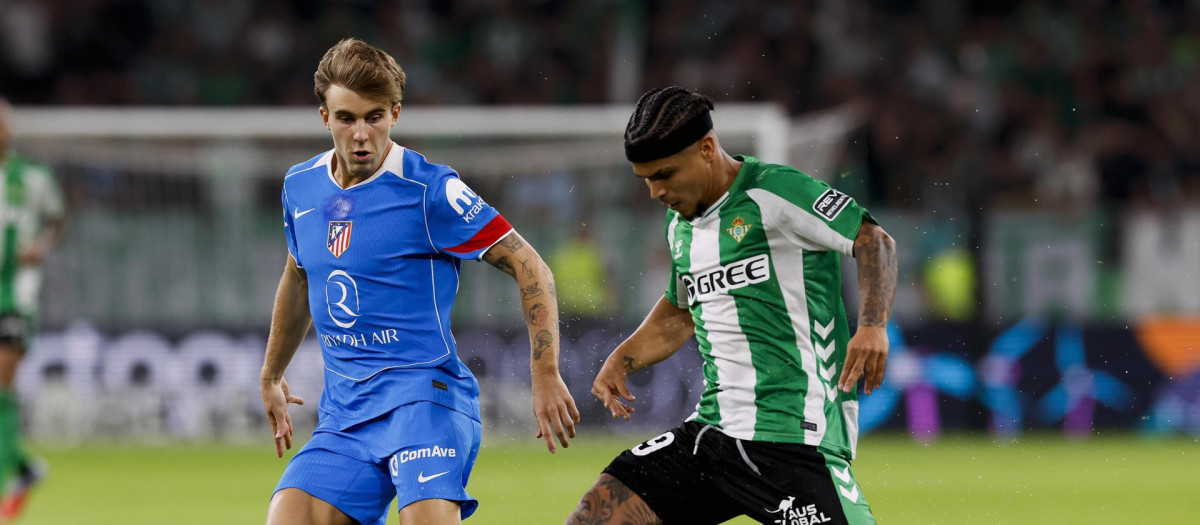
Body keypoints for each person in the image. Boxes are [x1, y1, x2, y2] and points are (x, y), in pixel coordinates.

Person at [260, 39, 579, 525]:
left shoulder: (429, 189)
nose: (361, 134)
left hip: (426, 400)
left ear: (396, 114)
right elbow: (299, 276)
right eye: (347, 118)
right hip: (346, 413)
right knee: (289, 516)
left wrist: (545, 372)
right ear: (325, 118)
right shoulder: (299, 187)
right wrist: (270, 374)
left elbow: (529, 264)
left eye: (375, 117)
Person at [567, 87, 897, 525]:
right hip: (712, 436)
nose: (655, 191)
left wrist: (873, 326)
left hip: (793, 440)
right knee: (594, 517)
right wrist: (624, 358)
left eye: (664, 174)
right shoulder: (679, 225)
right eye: (645, 179)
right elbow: (682, 308)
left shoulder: (776, 192)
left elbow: (874, 240)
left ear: (707, 149)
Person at [0, 98, 66, 523]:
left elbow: (57, 220)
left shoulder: (34, 177)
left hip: (15, 300)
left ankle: (20, 471)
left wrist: (40, 246)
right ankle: (23, 468)